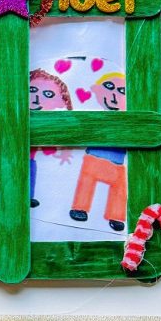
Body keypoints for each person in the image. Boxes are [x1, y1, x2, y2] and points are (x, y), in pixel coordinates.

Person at [70, 72, 127, 231]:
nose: (115, 95)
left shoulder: (126, 120)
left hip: (117, 162)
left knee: (120, 187)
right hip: (94, 158)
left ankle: (116, 216)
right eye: (109, 87)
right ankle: (79, 208)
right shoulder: (95, 117)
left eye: (122, 91)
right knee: (86, 181)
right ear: (96, 90)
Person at [28, 69, 73, 207]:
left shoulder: (47, 123)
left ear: (61, 102)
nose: (36, 97)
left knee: (31, 167)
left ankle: (28, 195)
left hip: (30, 158)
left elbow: (48, 150)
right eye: (32, 90)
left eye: (47, 94)